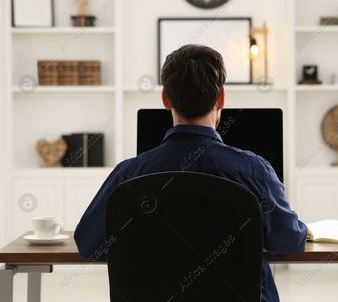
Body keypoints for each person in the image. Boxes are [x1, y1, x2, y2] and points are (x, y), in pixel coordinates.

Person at [74, 44, 308, 302]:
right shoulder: (254, 170)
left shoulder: (128, 175)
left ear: (165, 98)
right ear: (221, 98)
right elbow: (289, 242)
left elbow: (89, 244)